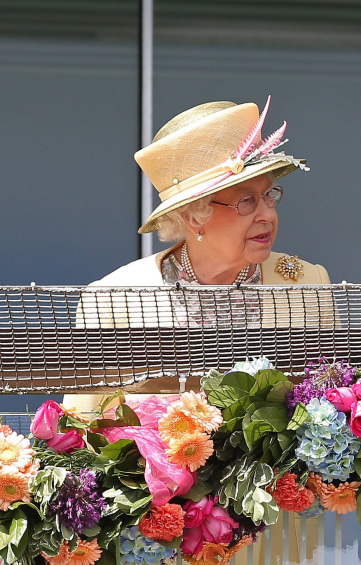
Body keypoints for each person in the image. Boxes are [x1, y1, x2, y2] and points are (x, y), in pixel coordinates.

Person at [68, 98, 333, 413]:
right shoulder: (111, 299)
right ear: (195, 216)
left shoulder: (309, 284)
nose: (267, 215)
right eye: (247, 200)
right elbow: (80, 428)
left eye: (269, 195)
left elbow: (332, 405)